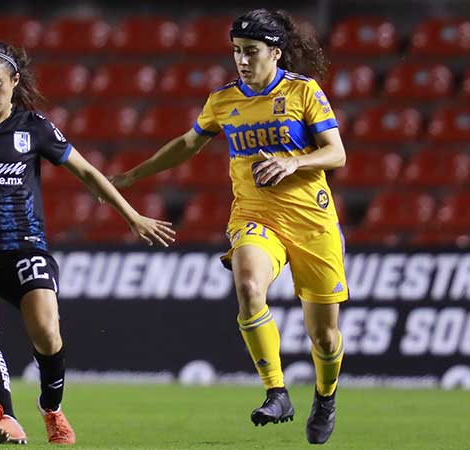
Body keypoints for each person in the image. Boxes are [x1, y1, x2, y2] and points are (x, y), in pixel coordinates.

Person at [0, 40, 175, 445]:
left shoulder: (35, 127)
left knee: (46, 331)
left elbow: (88, 172)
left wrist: (132, 216)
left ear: (13, 81)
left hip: (25, 245)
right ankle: (6, 417)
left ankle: (52, 409)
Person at [111, 9, 347, 445]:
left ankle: (326, 395)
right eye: (237, 51)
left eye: (251, 52)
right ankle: (276, 392)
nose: (241, 60)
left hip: (313, 222)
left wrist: (294, 161)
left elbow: (336, 154)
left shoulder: (303, 92)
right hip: (255, 216)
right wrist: (132, 177)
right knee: (248, 287)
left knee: (326, 338)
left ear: (275, 53)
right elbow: (187, 144)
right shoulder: (223, 100)